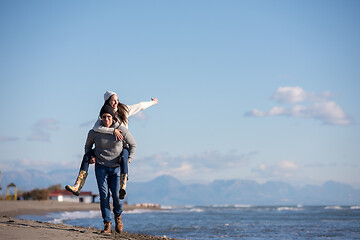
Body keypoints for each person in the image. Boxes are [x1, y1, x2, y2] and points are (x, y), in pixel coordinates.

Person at [65, 91, 158, 198]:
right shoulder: (103, 115)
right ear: (107, 101)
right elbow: (96, 128)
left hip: (121, 145)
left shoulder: (124, 110)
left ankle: (122, 187)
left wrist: (153, 103)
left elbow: (140, 106)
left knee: (124, 157)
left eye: (117, 100)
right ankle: (77, 186)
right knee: (86, 156)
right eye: (113, 100)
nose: (116, 102)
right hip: (104, 146)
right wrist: (113, 131)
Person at [86, 104, 136, 234]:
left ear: (113, 117)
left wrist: (128, 159)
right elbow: (87, 147)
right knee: (104, 196)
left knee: (117, 197)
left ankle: (118, 216)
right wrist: (91, 157)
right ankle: (107, 224)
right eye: (104, 117)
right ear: (100, 118)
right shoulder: (94, 132)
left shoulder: (122, 130)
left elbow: (133, 144)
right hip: (101, 167)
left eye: (109, 117)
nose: (106, 119)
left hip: (116, 169)